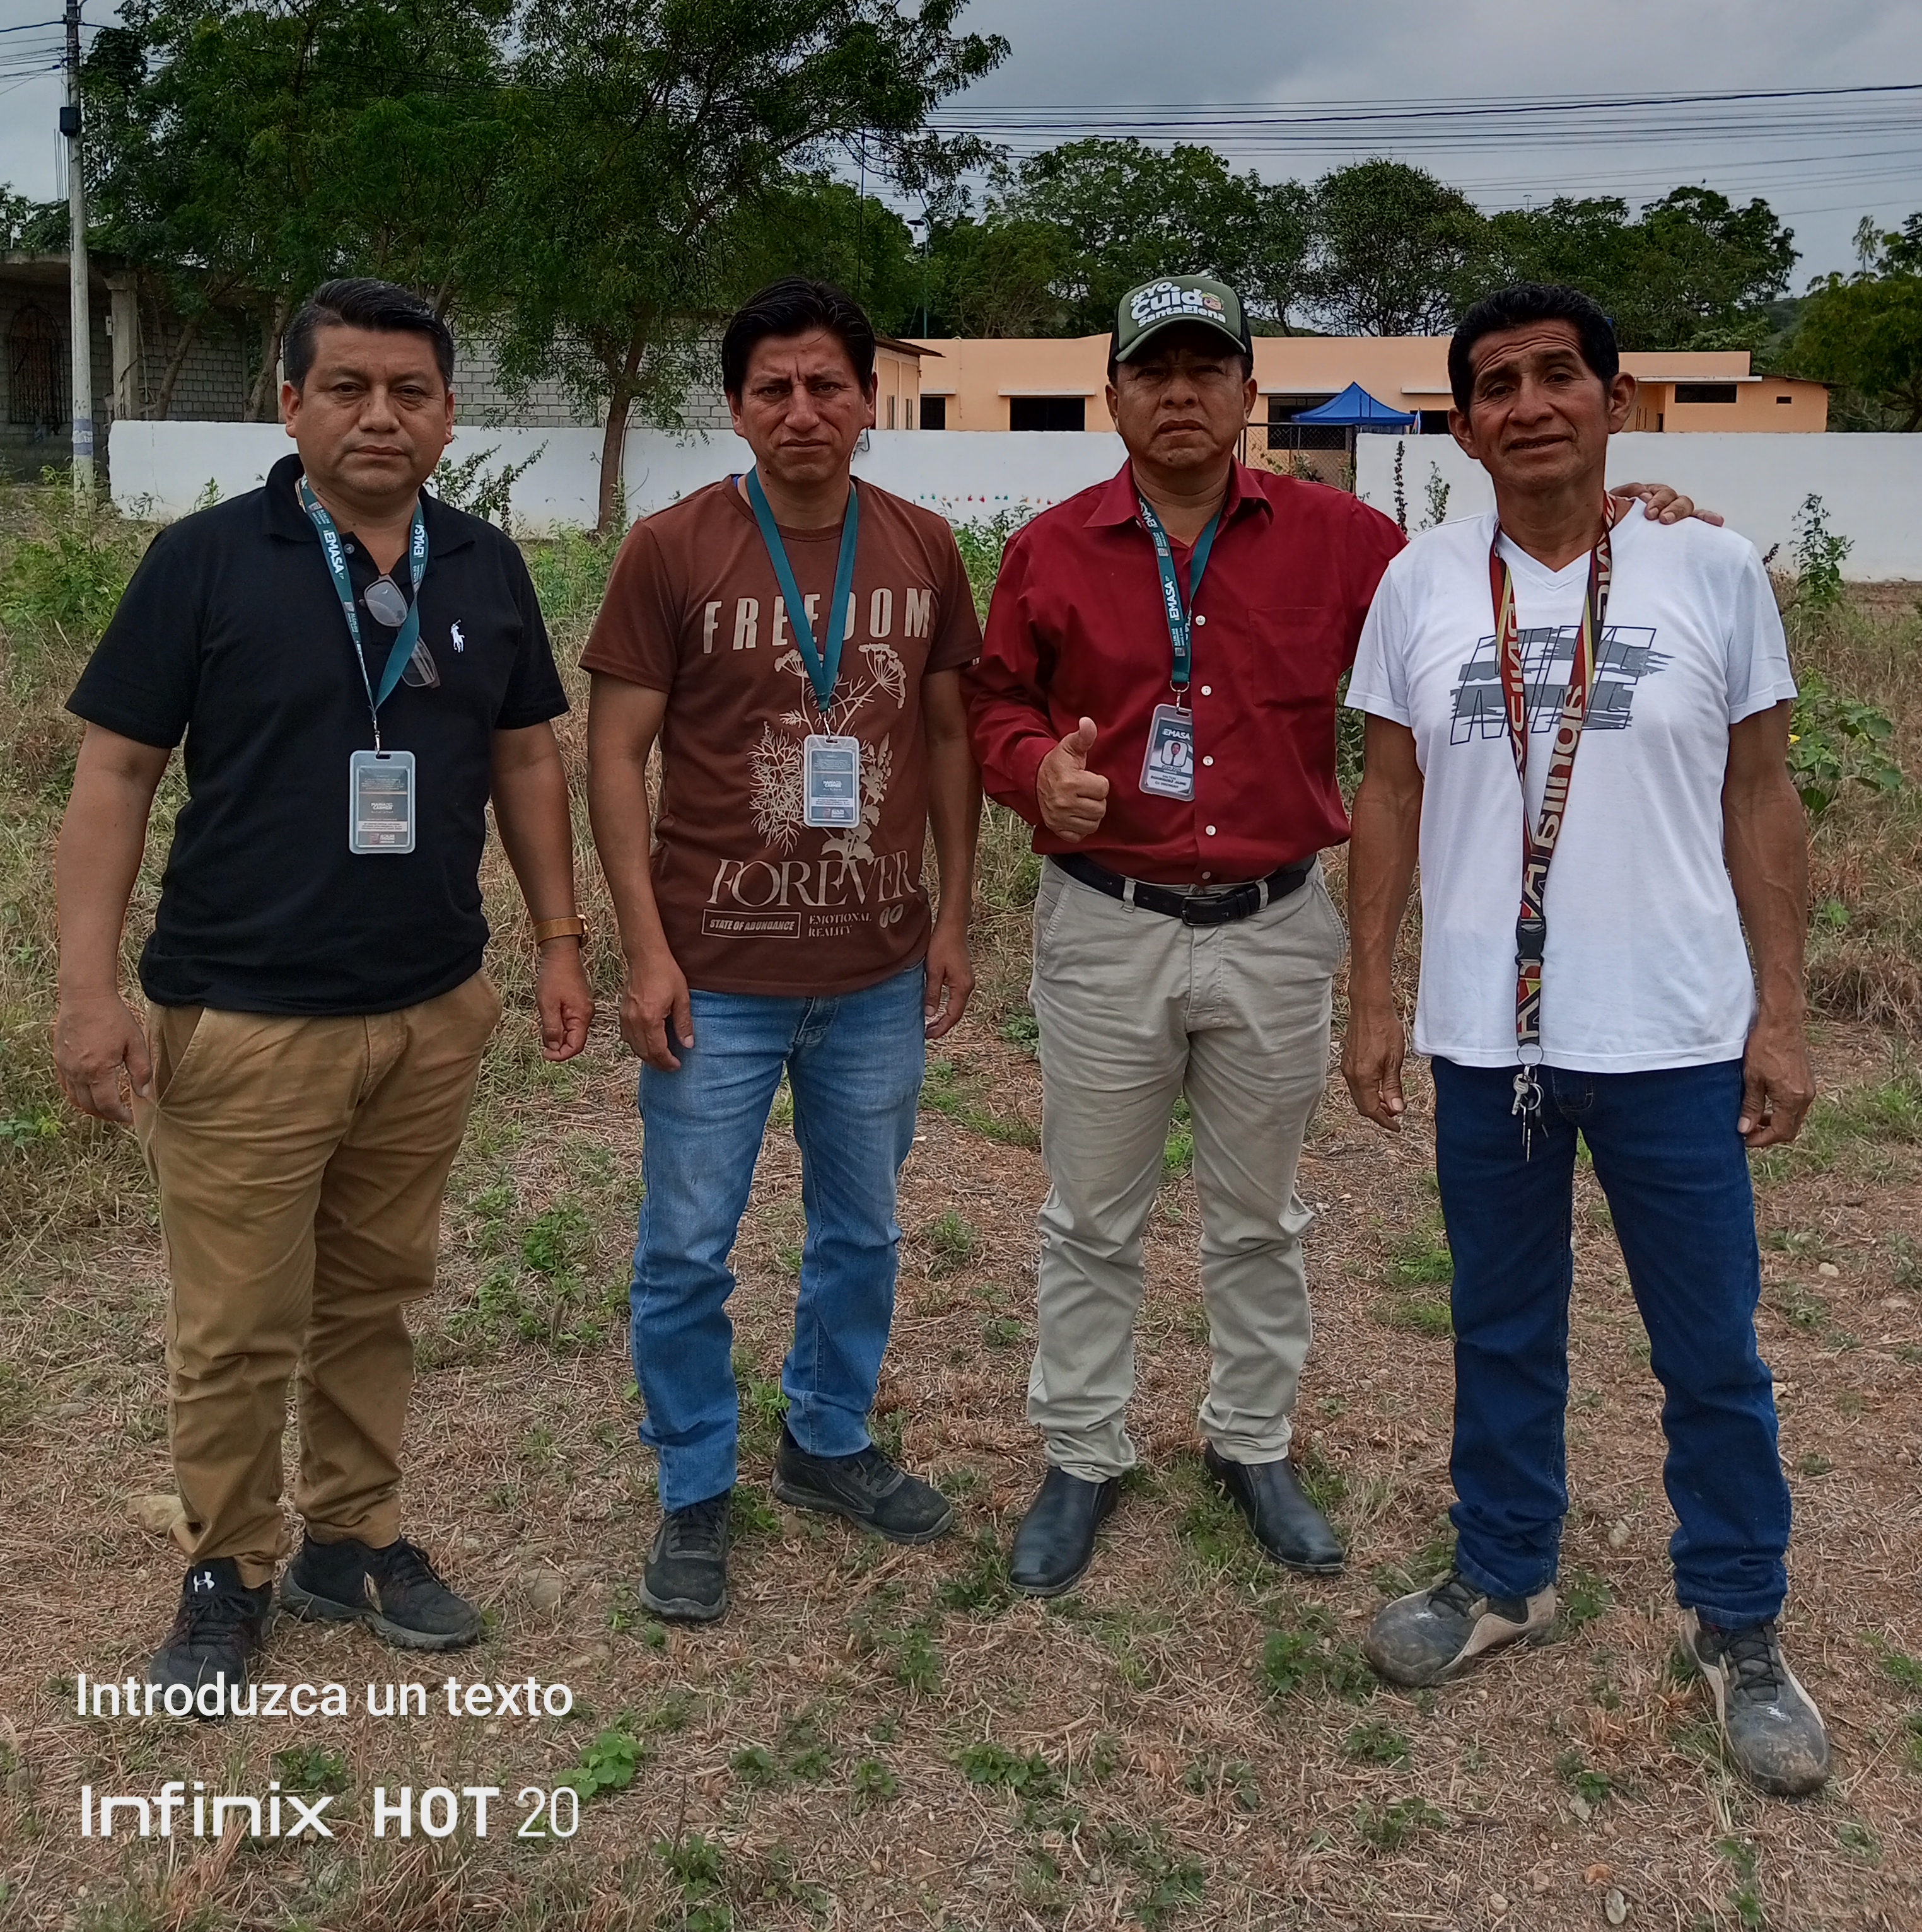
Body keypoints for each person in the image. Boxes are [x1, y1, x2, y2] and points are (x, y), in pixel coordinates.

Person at [964, 273, 1706, 1601]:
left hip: (1273, 924)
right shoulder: (1050, 550)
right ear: (1112, 397)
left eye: (1207, 370)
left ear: (1249, 393)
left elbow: (1497, 576)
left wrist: (1631, 518)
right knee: (1091, 1214)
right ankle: (1081, 1450)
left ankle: (1251, 1441)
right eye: (1153, 372)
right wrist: (1032, 771)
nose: (1180, 395)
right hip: (1107, 922)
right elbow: (993, 703)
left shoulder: (1351, 542)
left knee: (1260, 1216)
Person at [54, 277, 593, 1704]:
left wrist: (557, 937)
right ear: (289, 403)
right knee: (238, 1327)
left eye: (410, 391)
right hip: (245, 1016)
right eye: (346, 387)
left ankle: (350, 1538)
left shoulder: (483, 565)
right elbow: (115, 773)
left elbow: (528, 757)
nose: (379, 416)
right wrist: (86, 992)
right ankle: (226, 1569)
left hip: (429, 1010)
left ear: (448, 415)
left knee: (375, 1296)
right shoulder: (204, 560)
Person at [1342, 282, 1827, 1797]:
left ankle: (1739, 1620)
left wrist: (1783, 1011)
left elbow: (1762, 794)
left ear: (1616, 402)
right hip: (1490, 1039)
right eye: (1497, 384)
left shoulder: (1711, 565)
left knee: (1711, 1346)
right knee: (1500, 1324)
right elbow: (1389, 795)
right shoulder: (1421, 583)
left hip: (1675, 1032)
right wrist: (1373, 996)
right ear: (1465, 426)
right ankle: (1505, 1573)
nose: (1530, 403)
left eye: (1560, 375)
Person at [583, 277, 982, 1624]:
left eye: (827, 385)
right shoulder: (671, 549)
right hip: (718, 975)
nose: (802, 410)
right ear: (738, 407)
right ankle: (696, 1482)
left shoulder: (924, 547)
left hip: (874, 969)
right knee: (688, 1248)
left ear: (870, 401)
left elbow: (947, 738)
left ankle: (826, 1437)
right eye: (774, 388)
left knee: (861, 1229)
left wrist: (955, 917)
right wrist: (644, 951)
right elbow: (615, 755)